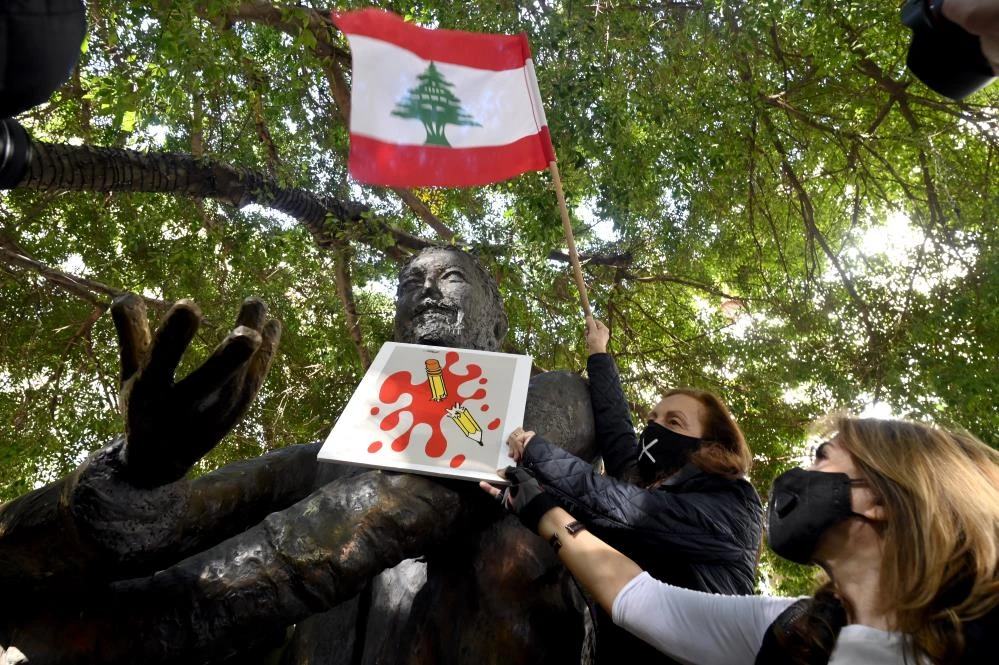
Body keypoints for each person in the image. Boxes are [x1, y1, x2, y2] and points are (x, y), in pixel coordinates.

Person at [485, 416, 999, 664]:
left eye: (823, 456)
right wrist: (541, 513)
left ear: (881, 497)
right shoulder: (793, 631)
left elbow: (629, 510)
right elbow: (642, 599)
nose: (802, 473)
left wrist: (544, 461)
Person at [488, 316, 763, 664]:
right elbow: (617, 427)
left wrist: (537, 451)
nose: (654, 429)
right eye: (653, 419)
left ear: (712, 443)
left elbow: (626, 509)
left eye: (674, 422)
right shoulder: (646, 476)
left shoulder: (734, 502)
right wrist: (599, 352)